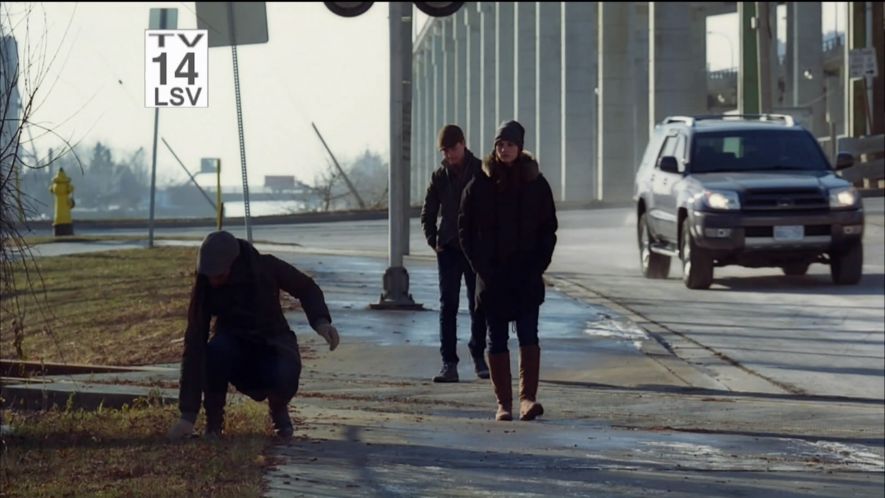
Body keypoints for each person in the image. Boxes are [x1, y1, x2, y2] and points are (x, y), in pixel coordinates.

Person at [167, 231, 340, 439]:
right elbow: (194, 342)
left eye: (219, 276)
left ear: (234, 264)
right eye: (208, 276)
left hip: (274, 343)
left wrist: (321, 322)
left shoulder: (266, 267)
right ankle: (213, 423)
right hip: (234, 347)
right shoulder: (206, 285)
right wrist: (187, 415)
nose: (213, 282)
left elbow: (307, 288)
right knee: (213, 353)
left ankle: (278, 409)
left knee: (285, 372)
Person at [458, 120, 557, 421]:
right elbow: (465, 229)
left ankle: (528, 399)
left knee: (529, 336)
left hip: (526, 275)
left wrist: (538, 264)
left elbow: (548, 228)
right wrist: (481, 267)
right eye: (500, 144)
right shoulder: (480, 183)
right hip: (492, 277)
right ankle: (503, 403)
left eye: (510, 144)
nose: (504, 149)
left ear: (520, 147)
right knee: (496, 339)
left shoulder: (536, 183)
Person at [421, 124, 489, 383]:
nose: (449, 154)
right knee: (448, 305)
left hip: (476, 249)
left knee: (478, 304)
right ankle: (449, 363)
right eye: (444, 150)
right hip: (448, 249)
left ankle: (478, 354)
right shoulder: (440, 176)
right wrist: (433, 240)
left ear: (463, 144)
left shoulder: (482, 170)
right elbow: (428, 211)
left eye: (452, 148)